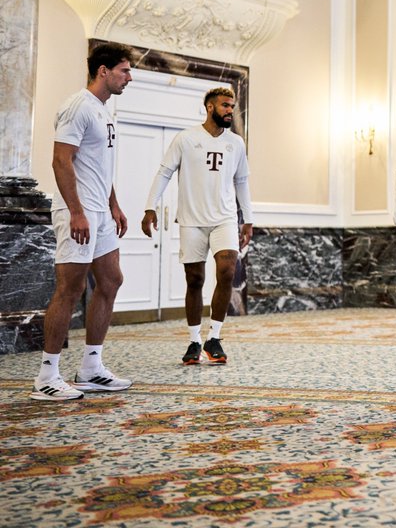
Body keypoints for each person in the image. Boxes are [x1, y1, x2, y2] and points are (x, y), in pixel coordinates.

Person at [31, 43, 135, 401]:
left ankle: (91, 368)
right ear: (103, 71)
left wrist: (115, 205)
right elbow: (62, 161)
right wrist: (76, 210)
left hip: (100, 212)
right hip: (77, 212)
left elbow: (98, 167)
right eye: (124, 70)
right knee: (70, 290)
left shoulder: (104, 112)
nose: (129, 77)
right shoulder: (78, 107)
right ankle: (47, 376)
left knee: (111, 279)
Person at [141, 87, 254, 365]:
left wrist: (248, 219)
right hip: (191, 220)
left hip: (224, 218)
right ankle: (193, 341)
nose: (230, 110)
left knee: (227, 270)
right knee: (195, 280)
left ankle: (214, 337)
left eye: (232, 106)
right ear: (210, 107)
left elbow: (241, 182)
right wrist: (149, 207)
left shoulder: (236, 143)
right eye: (225, 106)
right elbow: (164, 172)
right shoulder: (186, 139)